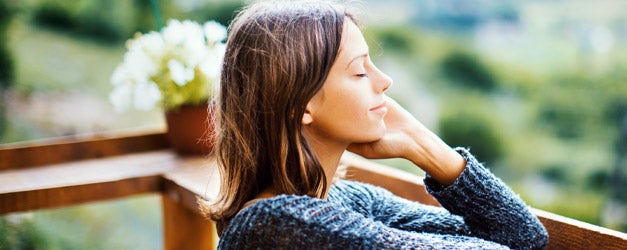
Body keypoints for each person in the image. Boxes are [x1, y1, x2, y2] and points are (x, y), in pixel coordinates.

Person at [201, 0, 549, 249]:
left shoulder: (346, 200)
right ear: (300, 105)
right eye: (359, 71)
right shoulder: (276, 225)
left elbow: (523, 236)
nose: (384, 81)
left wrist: (422, 145)